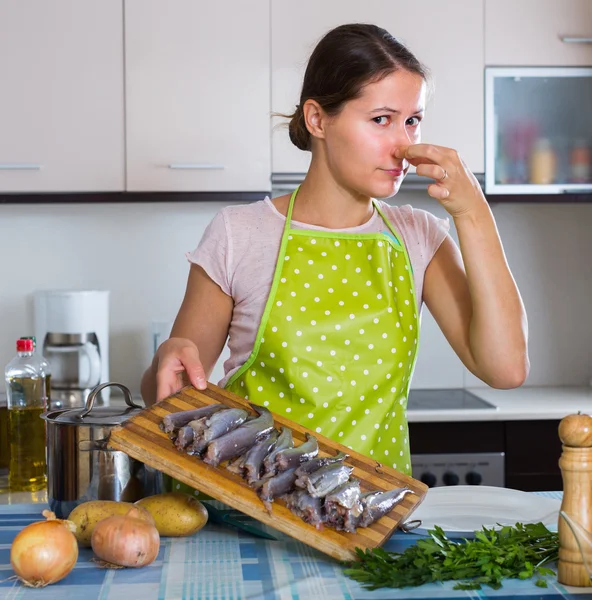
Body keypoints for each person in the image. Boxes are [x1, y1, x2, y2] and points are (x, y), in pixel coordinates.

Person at [141, 23, 529, 475]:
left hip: (368, 517)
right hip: (251, 509)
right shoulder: (239, 233)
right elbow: (172, 399)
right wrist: (166, 358)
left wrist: (473, 212)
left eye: (412, 120)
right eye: (381, 119)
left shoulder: (419, 237)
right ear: (317, 119)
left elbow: (506, 370)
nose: (404, 144)